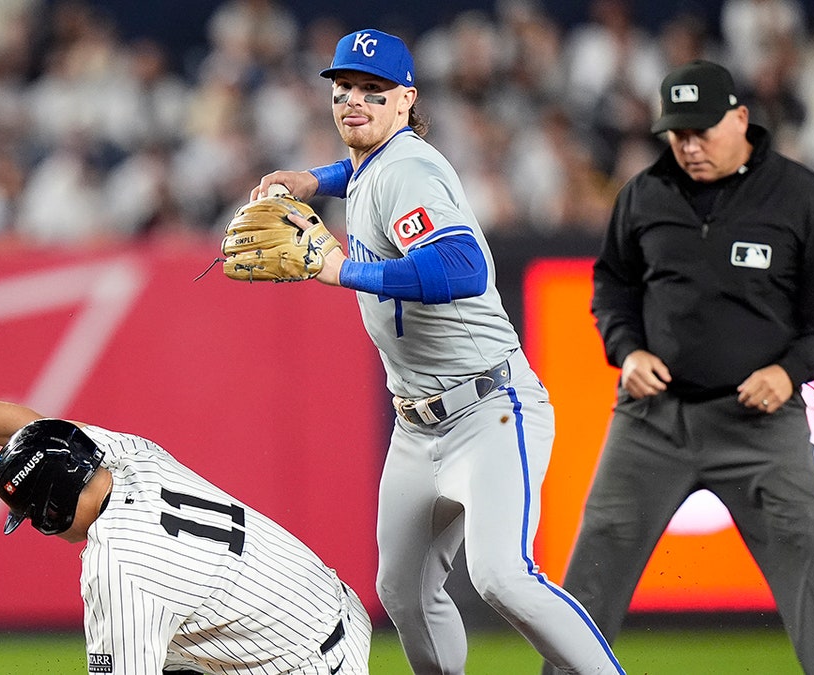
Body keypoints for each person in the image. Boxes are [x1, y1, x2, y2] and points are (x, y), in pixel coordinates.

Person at [250, 29, 623, 675]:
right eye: (344, 92)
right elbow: (363, 171)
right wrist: (316, 178)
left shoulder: (409, 169)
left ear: (406, 101)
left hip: (489, 408)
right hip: (418, 426)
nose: (355, 103)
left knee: (504, 575)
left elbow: (462, 267)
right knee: (403, 590)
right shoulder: (377, 164)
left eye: (374, 91)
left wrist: (343, 270)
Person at [542, 60, 814, 675]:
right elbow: (612, 288)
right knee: (590, 578)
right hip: (651, 422)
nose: (689, 146)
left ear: (741, 119)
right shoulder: (644, 195)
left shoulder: (804, 199)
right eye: (677, 134)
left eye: (702, 131)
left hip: (761, 423)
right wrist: (628, 350)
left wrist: (790, 372)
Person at [0, 364, 370, 675]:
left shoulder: (117, 566)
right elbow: (33, 430)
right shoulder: (132, 456)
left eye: (32, 516)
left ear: (51, 512)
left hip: (302, 665)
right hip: (327, 610)